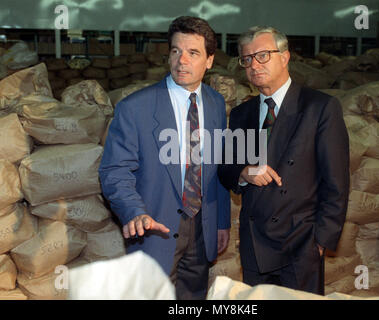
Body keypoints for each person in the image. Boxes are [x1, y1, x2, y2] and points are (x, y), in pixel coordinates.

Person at [99, 16, 230, 300]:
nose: (182, 60)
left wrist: (221, 222)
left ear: (209, 60)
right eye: (175, 51)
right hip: (154, 228)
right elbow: (114, 171)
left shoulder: (216, 103)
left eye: (193, 53)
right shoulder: (135, 108)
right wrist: (134, 211)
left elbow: (217, 167)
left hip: (201, 227)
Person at [218, 26, 349, 295]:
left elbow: (336, 181)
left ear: (285, 57)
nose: (254, 65)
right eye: (247, 59)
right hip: (255, 241)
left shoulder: (319, 107)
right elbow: (224, 167)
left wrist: (321, 240)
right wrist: (243, 172)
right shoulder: (243, 113)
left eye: (263, 55)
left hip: (301, 242)